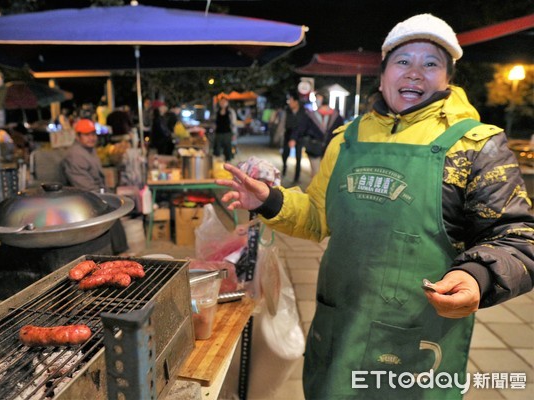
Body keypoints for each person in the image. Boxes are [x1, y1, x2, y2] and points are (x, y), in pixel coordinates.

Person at [216, 14, 534, 399]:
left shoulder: (476, 145)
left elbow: (517, 239)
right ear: (383, 75)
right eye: (403, 61)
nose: (415, 73)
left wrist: (477, 278)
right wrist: (271, 200)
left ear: (448, 78)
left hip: (420, 336)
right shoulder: (346, 138)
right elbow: (317, 218)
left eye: (430, 63)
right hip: (341, 325)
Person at [62, 118, 128, 254]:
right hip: (84, 197)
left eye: (93, 134)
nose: (91, 138)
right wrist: (106, 198)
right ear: (78, 136)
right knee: (111, 209)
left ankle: (119, 252)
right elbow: (84, 186)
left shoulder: (89, 150)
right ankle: (116, 253)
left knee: (116, 207)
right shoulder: (75, 155)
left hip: (96, 192)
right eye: (86, 135)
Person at [290, 91, 339, 178]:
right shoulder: (311, 115)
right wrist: (293, 138)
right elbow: (301, 127)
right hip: (314, 148)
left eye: (318, 98)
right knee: (316, 174)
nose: (316, 100)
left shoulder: (336, 116)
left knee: (327, 174)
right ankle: (315, 191)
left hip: (330, 149)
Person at [280, 92, 305, 183]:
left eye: (290, 101)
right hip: (288, 135)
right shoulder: (287, 111)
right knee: (285, 154)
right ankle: (284, 168)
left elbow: (302, 126)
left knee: (298, 157)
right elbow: (284, 124)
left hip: (299, 137)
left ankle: (296, 177)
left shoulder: (303, 112)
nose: (289, 103)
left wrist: (294, 139)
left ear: (296, 102)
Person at [213, 96, 237, 162]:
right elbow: (215, 123)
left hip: (227, 133)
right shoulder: (217, 112)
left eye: (224, 102)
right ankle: (218, 164)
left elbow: (234, 124)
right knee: (217, 150)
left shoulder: (230, 112)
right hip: (218, 133)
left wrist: (234, 134)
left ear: (227, 103)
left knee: (228, 150)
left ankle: (228, 163)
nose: (222, 103)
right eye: (221, 102)